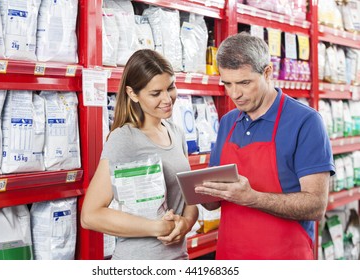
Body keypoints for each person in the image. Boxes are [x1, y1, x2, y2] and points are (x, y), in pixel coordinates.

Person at [195, 33, 335, 260]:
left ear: (268, 72)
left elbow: (316, 205)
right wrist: (201, 193)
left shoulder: (305, 121)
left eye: (244, 83)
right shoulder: (228, 122)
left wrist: (252, 197)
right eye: (227, 84)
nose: (235, 94)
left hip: (284, 258)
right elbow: (215, 200)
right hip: (232, 255)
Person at [80, 49, 198, 260]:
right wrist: (157, 227)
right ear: (133, 94)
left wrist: (186, 223)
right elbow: (90, 215)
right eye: (155, 93)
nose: (167, 99)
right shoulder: (124, 139)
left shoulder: (176, 133)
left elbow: (188, 201)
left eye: (170, 87)